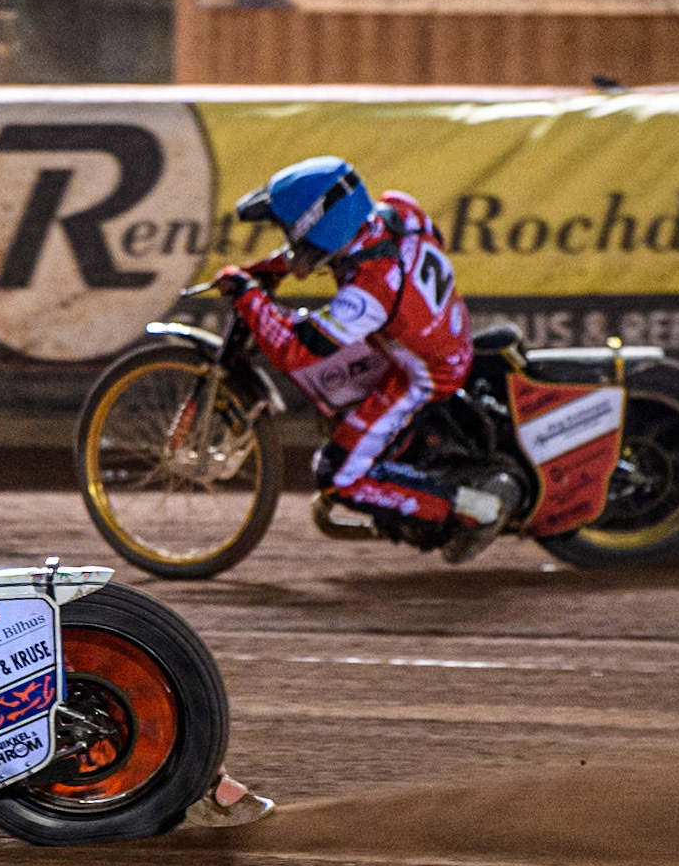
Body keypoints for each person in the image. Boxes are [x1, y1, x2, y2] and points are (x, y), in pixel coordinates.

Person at [213, 156, 514, 562]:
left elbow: (293, 352)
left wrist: (248, 294)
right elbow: (432, 237)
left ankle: (472, 510)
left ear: (317, 229)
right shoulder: (397, 210)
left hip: (424, 377)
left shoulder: (368, 294)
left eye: (290, 232)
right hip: (445, 334)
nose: (287, 242)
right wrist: (278, 265)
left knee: (337, 476)